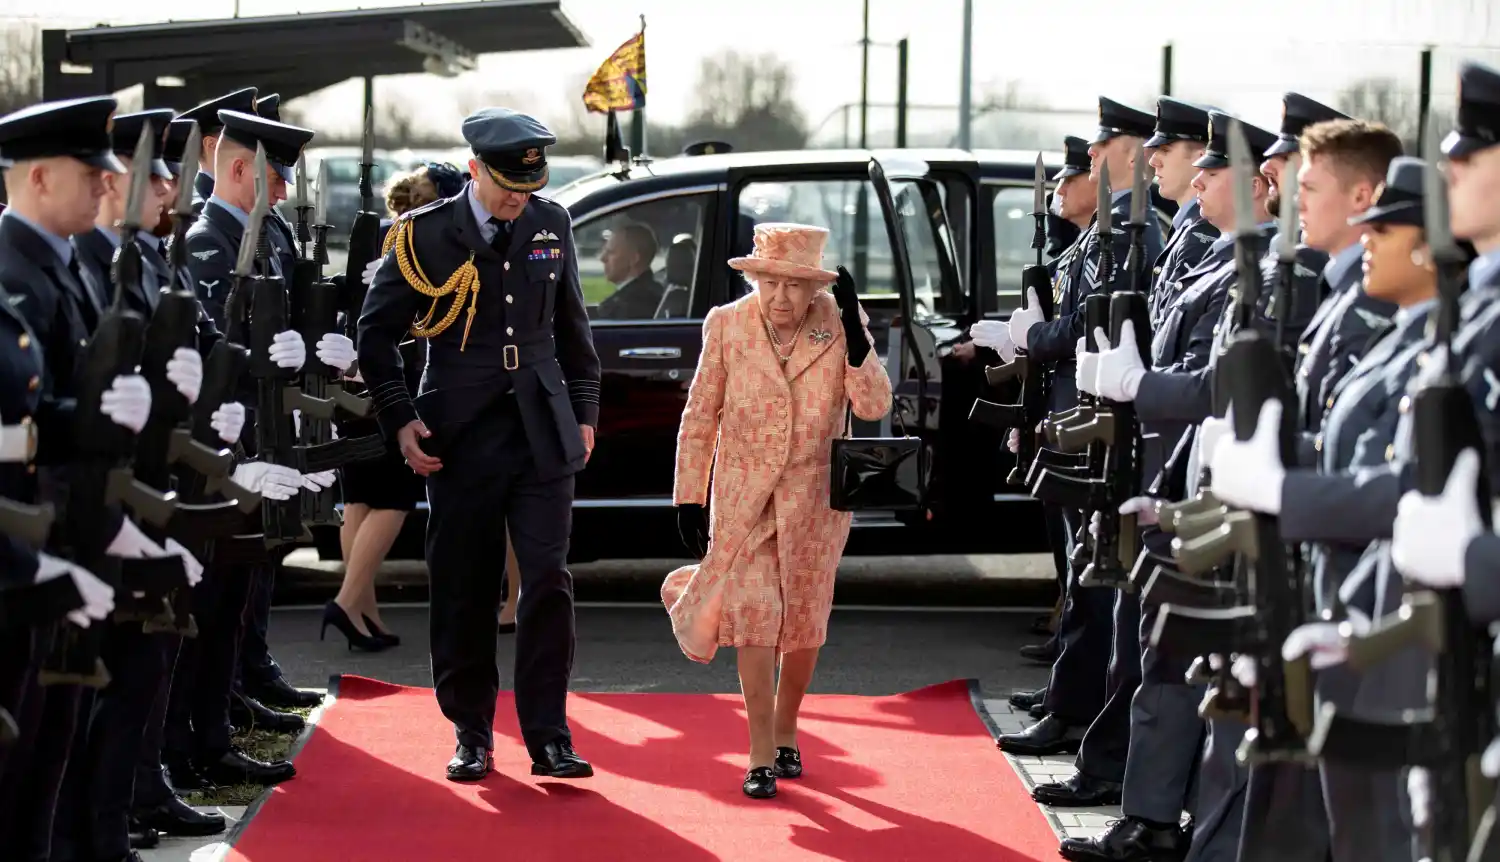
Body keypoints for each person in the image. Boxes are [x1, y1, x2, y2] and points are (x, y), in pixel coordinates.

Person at [357, 107, 602, 783]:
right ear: (474, 171)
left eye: (526, 190)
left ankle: (549, 734)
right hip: (458, 433)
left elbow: (574, 327)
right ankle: (472, 730)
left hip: (541, 427)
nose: (517, 202)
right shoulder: (422, 236)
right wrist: (400, 419)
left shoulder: (552, 222)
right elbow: (374, 337)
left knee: (547, 581)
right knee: (465, 584)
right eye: (505, 189)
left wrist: (584, 410)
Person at [662, 222, 892, 799]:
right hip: (742, 501)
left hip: (814, 503)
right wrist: (689, 497)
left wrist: (859, 344)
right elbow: (699, 417)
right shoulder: (727, 324)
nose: (780, 298)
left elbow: (873, 406)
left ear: (815, 287)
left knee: (805, 625)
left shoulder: (838, 324)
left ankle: (788, 725)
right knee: (757, 619)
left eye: (793, 286)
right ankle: (761, 752)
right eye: (769, 283)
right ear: (755, 278)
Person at [1053, 96, 1226, 862]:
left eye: (1182, 155)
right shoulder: (1188, 241)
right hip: (1158, 468)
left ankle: (1156, 818)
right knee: (1145, 647)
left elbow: (1210, 380)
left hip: (1192, 482)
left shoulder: (1198, 248)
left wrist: (1137, 386)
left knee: (1163, 656)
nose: (1161, 164)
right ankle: (1147, 813)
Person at [992, 96, 1163, 761]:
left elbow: (1095, 322)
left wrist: (1035, 333)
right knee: (1085, 576)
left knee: (1095, 582)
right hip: (1075, 414)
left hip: (1101, 426)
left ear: (1130, 152)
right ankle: (1073, 703)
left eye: (1100, 148)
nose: (1086, 159)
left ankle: (1075, 712)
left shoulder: (1129, 230)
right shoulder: (1103, 230)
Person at [168, 107, 325, 791]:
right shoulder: (208, 245)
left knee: (235, 596)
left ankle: (213, 729)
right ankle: (195, 740)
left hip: (260, 441)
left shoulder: (263, 236)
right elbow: (212, 357)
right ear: (240, 170)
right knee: (209, 605)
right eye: (277, 178)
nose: (285, 192)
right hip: (221, 455)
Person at [329, 162, 468, 650]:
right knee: (394, 496)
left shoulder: (375, 234)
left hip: (351, 372)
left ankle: (364, 611)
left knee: (360, 498)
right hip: (396, 376)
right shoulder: (427, 240)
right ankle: (348, 602)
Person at [593, 222, 664, 319]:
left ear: (634, 259)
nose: (602, 258)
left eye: (611, 252)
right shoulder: (651, 292)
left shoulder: (632, 305)